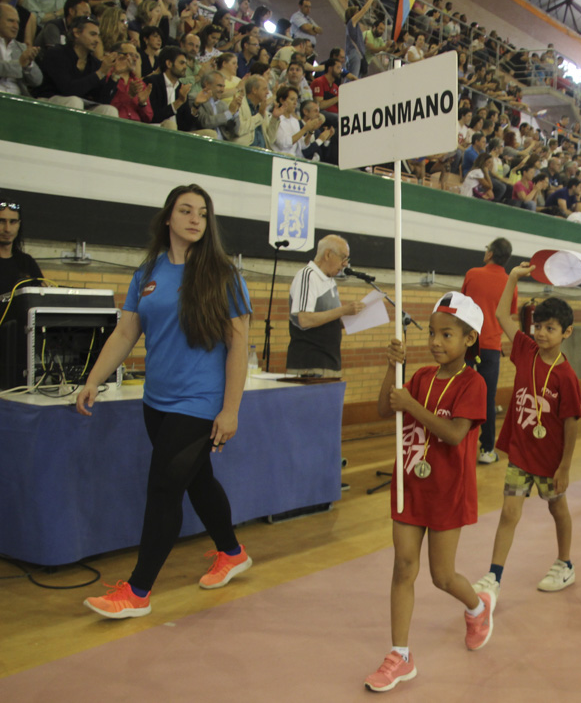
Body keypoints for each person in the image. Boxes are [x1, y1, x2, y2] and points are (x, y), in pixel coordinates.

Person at [77, 184, 253, 618]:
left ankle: (137, 592)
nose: (195, 219)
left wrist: (230, 409)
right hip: (156, 403)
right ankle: (231, 552)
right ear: (169, 218)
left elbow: (238, 347)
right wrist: (93, 379)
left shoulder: (224, 276)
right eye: (186, 210)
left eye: (203, 213)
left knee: (163, 490)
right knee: (198, 481)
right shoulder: (147, 274)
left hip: (199, 404)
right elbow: (124, 333)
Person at [365, 292, 494, 693]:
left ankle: (476, 607)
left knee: (441, 576)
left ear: (469, 339)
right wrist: (393, 367)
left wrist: (413, 406)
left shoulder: (474, 383)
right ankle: (400, 655)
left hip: (447, 491)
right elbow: (386, 409)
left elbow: (455, 434)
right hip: (410, 486)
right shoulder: (419, 377)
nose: (436, 342)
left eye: (447, 335)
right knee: (403, 568)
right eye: (433, 333)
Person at [472, 262, 581, 599]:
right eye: (538, 326)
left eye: (550, 328)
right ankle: (494, 576)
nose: (541, 333)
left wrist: (564, 466)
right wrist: (514, 279)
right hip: (521, 453)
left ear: (566, 332)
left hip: (550, 460)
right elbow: (502, 316)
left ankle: (565, 563)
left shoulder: (567, 377)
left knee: (557, 509)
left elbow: (572, 423)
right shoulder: (524, 350)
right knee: (509, 513)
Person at [460, 237, 516, 464]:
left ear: (490, 254)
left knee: (462, 395)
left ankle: (460, 446)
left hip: (469, 344)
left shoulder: (473, 274)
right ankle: (487, 450)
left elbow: (462, 306)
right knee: (487, 399)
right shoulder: (510, 282)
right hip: (492, 347)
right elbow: (508, 315)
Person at [286, 234, 365, 378]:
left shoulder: (330, 281)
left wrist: (355, 318)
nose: (345, 264)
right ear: (328, 254)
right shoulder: (308, 275)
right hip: (309, 366)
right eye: (343, 257)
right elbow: (304, 319)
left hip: (330, 363)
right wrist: (344, 310)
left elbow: (329, 320)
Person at [37, 15, 119, 117]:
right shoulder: (57, 54)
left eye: (98, 35)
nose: (97, 40)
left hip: (81, 104)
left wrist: (115, 75)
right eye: (92, 34)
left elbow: (101, 100)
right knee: (74, 102)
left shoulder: (95, 63)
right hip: (49, 100)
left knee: (109, 110)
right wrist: (100, 73)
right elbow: (68, 90)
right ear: (76, 33)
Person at [0, 197, 44, 295]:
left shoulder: (27, 263)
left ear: (19, 224)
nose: (7, 229)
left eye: (13, 222)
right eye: (1, 221)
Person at [0, 2, 41, 96]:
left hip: (16, 98)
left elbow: (37, 81)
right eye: (10, 21)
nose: (16, 26)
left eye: (17, 22)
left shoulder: (21, 47)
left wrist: (28, 64)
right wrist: (19, 64)